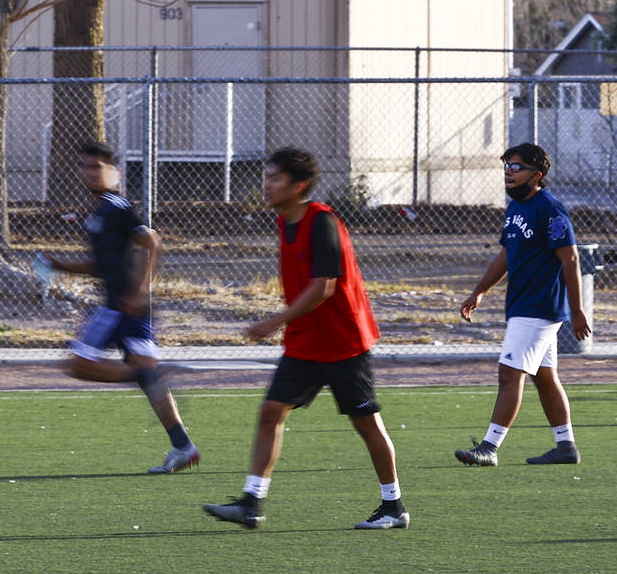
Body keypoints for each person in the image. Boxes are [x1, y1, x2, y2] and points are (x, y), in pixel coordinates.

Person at [204, 147, 409, 530]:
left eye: (275, 178)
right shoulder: (285, 222)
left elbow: (324, 287)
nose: (266, 184)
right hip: (305, 342)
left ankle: (393, 507)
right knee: (271, 413)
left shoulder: (322, 222)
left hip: (344, 341)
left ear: (299, 186)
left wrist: (274, 321)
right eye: (266, 177)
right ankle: (252, 502)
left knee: (365, 423)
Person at [44, 140, 199, 474]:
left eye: (97, 166)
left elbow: (152, 241)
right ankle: (183, 445)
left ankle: (141, 376)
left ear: (114, 171)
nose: (90, 172)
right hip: (130, 310)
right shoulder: (97, 213)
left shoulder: (117, 206)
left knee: (78, 365)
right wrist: (60, 265)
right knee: (150, 378)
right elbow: (101, 265)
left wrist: (140, 292)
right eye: (85, 166)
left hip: (120, 308)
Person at [455, 142, 590, 467]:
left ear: (537, 175)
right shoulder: (516, 208)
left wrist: (577, 309)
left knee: (509, 373)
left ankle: (489, 447)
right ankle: (565, 446)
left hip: (539, 307)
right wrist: (480, 291)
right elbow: (506, 255)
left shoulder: (550, 208)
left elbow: (570, 257)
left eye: (516, 167)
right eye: (506, 166)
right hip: (523, 306)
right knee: (544, 376)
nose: (508, 172)